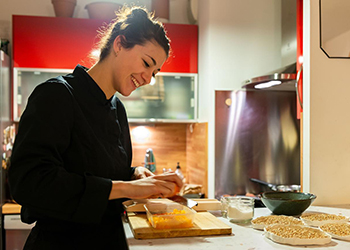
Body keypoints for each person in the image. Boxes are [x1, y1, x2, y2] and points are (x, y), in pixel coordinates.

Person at [8, 6, 182, 250]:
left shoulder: (117, 108)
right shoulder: (57, 95)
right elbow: (28, 182)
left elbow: (102, 170)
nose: (147, 78)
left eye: (154, 72)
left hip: (110, 241)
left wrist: (135, 173)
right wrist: (127, 188)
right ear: (119, 44)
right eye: (146, 63)